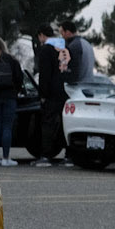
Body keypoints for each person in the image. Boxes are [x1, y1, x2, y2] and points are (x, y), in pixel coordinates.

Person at [32, 28, 68, 166]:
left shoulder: (46, 50)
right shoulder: (62, 47)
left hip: (51, 93)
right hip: (64, 91)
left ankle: (46, 155)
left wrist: (43, 94)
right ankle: (68, 155)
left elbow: (45, 74)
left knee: (48, 124)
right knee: (63, 124)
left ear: (41, 35)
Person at [0, 35, 21, 168]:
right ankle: (6, 158)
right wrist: (15, 91)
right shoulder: (11, 59)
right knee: (7, 127)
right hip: (9, 97)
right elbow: (19, 78)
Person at [58, 19, 95, 87]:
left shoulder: (74, 46)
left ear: (67, 32)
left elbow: (73, 71)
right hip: (89, 87)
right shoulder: (87, 44)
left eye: (62, 33)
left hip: (77, 88)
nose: (62, 36)